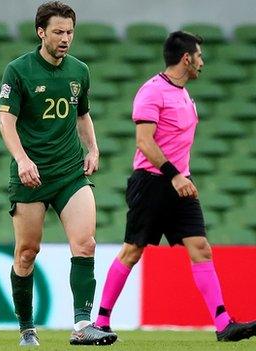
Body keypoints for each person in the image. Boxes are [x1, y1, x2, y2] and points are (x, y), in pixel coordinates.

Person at [94, 31, 256, 342]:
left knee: (201, 249)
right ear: (186, 58)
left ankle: (223, 324)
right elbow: (144, 141)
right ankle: (100, 322)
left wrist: (181, 176)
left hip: (180, 181)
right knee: (132, 251)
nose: (202, 63)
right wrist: (174, 175)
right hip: (153, 182)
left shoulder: (182, 93)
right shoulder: (152, 91)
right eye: (199, 56)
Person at [0, 1, 117, 346]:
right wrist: (21, 160)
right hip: (31, 175)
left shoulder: (79, 71)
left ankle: (82, 325)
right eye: (58, 32)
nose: (65, 39)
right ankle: (26, 327)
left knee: (85, 244)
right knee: (27, 253)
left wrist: (93, 148)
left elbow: (82, 115)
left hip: (69, 173)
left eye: (70, 32)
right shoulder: (18, 70)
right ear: (41, 33)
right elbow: (6, 120)